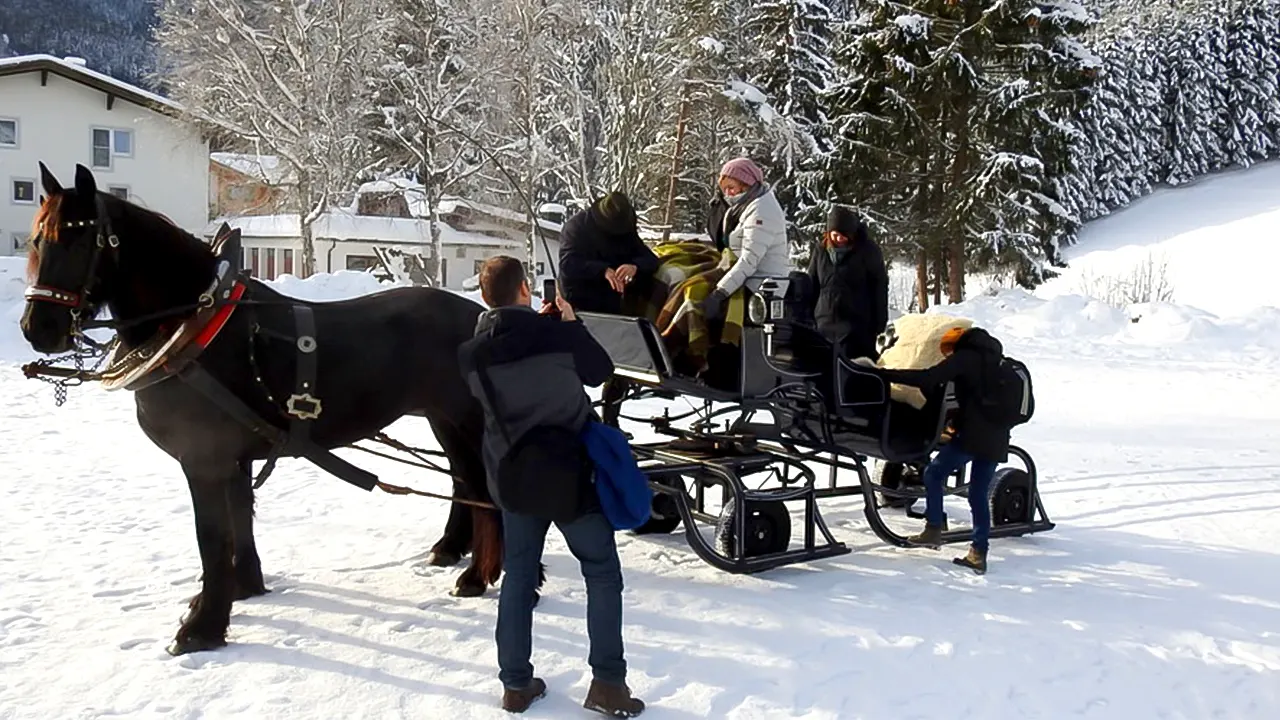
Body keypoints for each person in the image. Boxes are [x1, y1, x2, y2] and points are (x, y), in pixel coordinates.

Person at [457, 256, 645, 716]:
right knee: (601, 574)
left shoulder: (471, 355)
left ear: (484, 297)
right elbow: (600, 371)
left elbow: (511, 360)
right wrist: (572, 325)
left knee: (518, 578)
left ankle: (516, 685)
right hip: (573, 480)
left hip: (516, 482)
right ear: (526, 289)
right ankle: (608, 685)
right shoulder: (559, 336)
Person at [860, 326, 1011, 574]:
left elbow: (929, 377)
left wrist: (886, 375)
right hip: (997, 436)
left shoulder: (966, 357)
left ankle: (933, 528)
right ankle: (978, 553)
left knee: (933, 474)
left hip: (974, 436)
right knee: (978, 494)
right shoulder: (996, 360)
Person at [558, 191, 660, 427]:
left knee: (618, 363)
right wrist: (602, 270)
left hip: (615, 306)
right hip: (580, 305)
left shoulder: (625, 228)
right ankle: (577, 417)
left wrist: (634, 266)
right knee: (578, 363)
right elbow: (568, 265)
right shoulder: (576, 228)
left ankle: (611, 418)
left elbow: (651, 259)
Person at [697, 157, 793, 320]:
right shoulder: (743, 206)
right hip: (746, 279)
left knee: (697, 294)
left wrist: (720, 292)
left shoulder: (762, 210)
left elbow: (750, 259)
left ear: (746, 184)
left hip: (761, 287)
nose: (727, 193)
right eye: (724, 189)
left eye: (731, 188)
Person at [807, 206, 889, 360]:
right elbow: (812, 284)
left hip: (856, 327)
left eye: (843, 235)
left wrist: (879, 322)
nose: (839, 239)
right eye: (835, 235)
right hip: (823, 325)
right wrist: (807, 317)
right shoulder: (820, 251)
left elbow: (879, 286)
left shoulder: (868, 250)